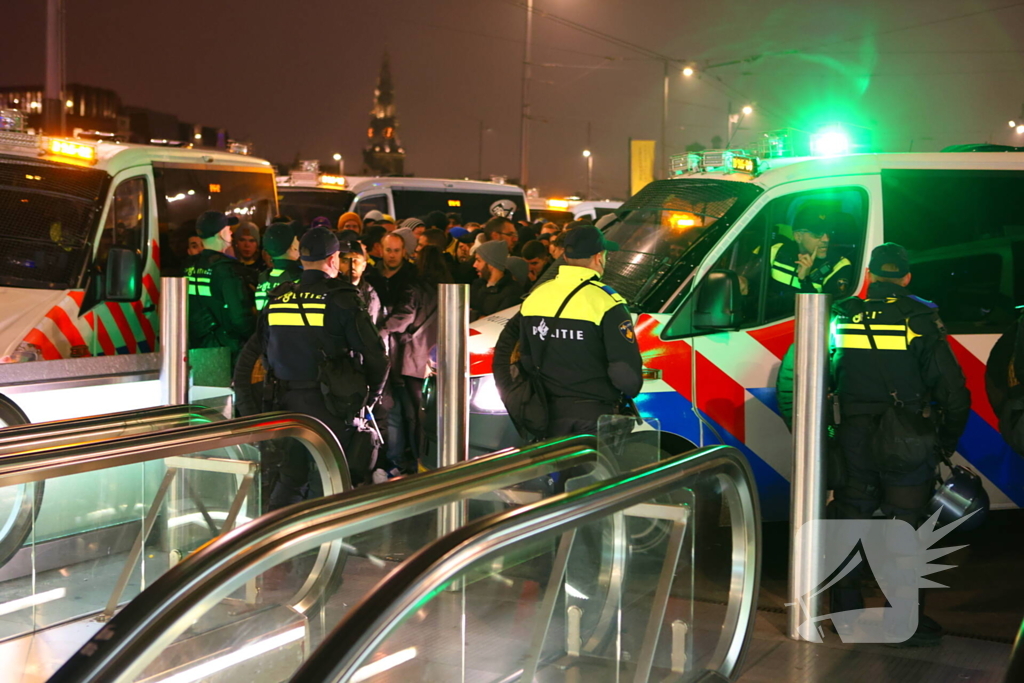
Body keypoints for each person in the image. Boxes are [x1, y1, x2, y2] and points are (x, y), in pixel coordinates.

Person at [827, 243, 971, 647]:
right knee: (906, 527)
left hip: (853, 436)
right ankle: (903, 623)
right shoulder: (920, 316)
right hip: (907, 437)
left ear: (869, 275)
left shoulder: (842, 314)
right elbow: (954, 392)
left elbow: (817, 377)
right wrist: (944, 442)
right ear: (907, 277)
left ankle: (844, 615)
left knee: (849, 521)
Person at [260, 227, 389, 497]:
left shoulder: (278, 298)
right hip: (332, 407)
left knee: (291, 478)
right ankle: (331, 536)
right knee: (333, 481)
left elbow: (263, 351)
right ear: (333, 260)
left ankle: (279, 535)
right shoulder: (342, 298)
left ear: (302, 259)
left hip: (285, 404)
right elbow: (377, 355)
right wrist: (370, 399)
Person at [516, 225, 642, 437]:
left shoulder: (536, 297)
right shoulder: (607, 302)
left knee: (557, 469)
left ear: (565, 256)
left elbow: (526, 359)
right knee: (598, 470)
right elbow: (626, 376)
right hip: (595, 418)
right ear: (599, 257)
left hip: (548, 417)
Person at [380, 245, 453, 476]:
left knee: (416, 414)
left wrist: (381, 329)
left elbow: (403, 319)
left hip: (416, 358)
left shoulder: (416, 289)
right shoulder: (450, 288)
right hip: (443, 358)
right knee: (437, 411)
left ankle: (419, 458)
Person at [183, 211, 256, 365]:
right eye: (228, 228)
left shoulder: (190, 266)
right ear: (220, 233)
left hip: (196, 346)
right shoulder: (225, 269)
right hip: (225, 351)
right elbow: (239, 317)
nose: (230, 231)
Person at [769, 204, 853, 299]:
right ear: (798, 236)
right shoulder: (777, 251)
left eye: (828, 232)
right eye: (817, 234)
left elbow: (826, 311)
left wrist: (805, 280)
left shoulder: (839, 266)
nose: (826, 239)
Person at [366, 232, 419, 315]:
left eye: (396, 250)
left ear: (403, 252)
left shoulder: (414, 275)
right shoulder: (370, 276)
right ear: (381, 251)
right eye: (388, 250)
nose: (392, 255)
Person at [255, 223, 303, 311]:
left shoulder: (264, 278)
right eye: (296, 239)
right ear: (294, 247)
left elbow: (260, 310)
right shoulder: (299, 277)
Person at [470, 240, 524, 319]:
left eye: (478, 260)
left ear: (491, 263)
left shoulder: (512, 292)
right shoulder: (477, 284)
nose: (474, 265)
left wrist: (473, 315)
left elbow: (496, 322)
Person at [338, 238, 383, 325]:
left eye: (356, 260)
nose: (351, 265)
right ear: (338, 264)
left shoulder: (370, 294)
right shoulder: (329, 291)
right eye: (345, 260)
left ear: (364, 265)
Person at [232, 222, 265, 287]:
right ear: (236, 243)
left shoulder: (264, 269)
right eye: (242, 240)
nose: (247, 245)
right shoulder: (231, 268)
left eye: (252, 241)